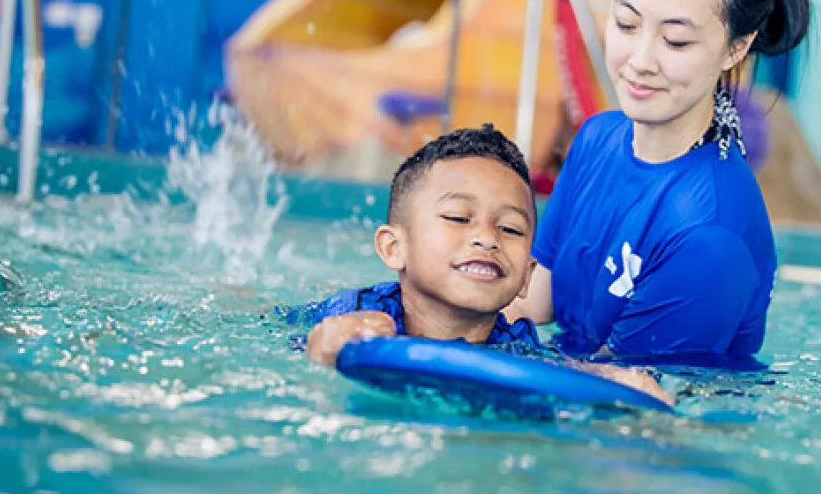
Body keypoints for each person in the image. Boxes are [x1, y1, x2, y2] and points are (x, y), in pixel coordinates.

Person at [504, 0, 810, 358]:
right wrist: (410, 313)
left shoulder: (709, 233)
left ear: (736, 47)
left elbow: (628, 402)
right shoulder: (597, 139)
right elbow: (539, 295)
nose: (641, 59)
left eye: (676, 41)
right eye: (626, 24)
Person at [280, 125, 672, 404]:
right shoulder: (358, 318)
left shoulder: (517, 350)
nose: (487, 238)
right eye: (457, 217)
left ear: (526, 278)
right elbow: (306, 360)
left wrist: (620, 383)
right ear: (393, 247)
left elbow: (566, 372)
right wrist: (324, 353)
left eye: (510, 228)